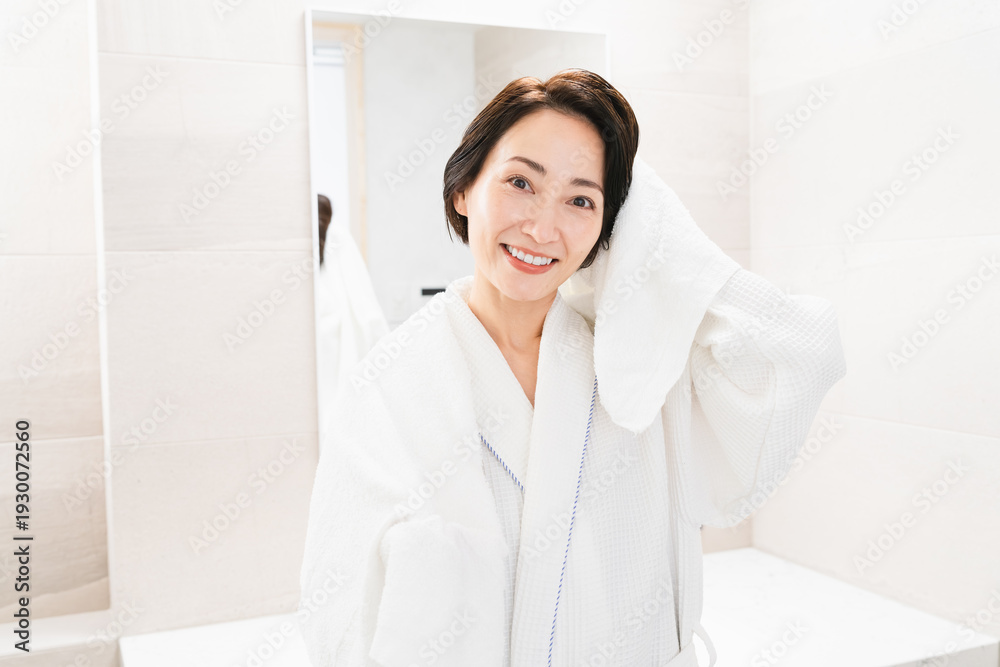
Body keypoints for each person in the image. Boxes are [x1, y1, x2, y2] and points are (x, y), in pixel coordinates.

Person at [298, 69, 846, 667]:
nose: (543, 228)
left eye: (581, 199)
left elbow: (799, 352)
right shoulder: (386, 390)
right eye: (520, 182)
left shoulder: (637, 374)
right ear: (463, 189)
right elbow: (338, 618)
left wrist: (647, 218)